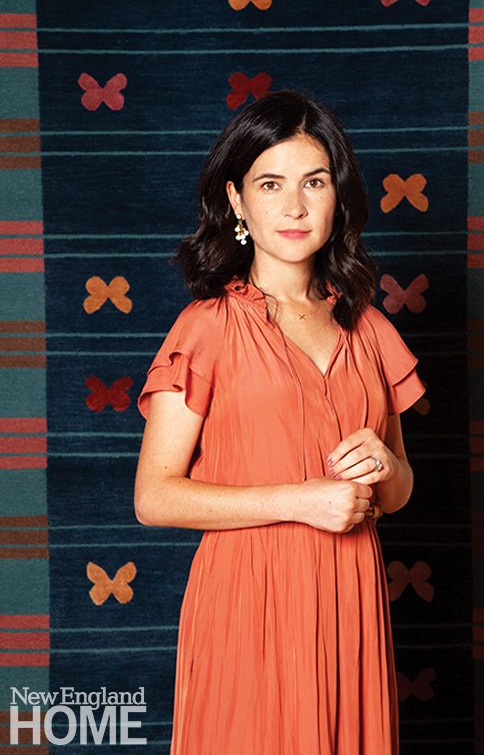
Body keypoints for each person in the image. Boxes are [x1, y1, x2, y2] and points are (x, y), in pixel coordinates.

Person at [134, 88, 426, 754]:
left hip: (350, 598)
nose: (294, 206)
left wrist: (387, 467)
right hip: (247, 600)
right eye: (270, 184)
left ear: (337, 196)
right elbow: (153, 497)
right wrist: (301, 501)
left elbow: (399, 490)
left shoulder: (369, 328)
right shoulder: (206, 328)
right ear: (237, 200)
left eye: (313, 182)